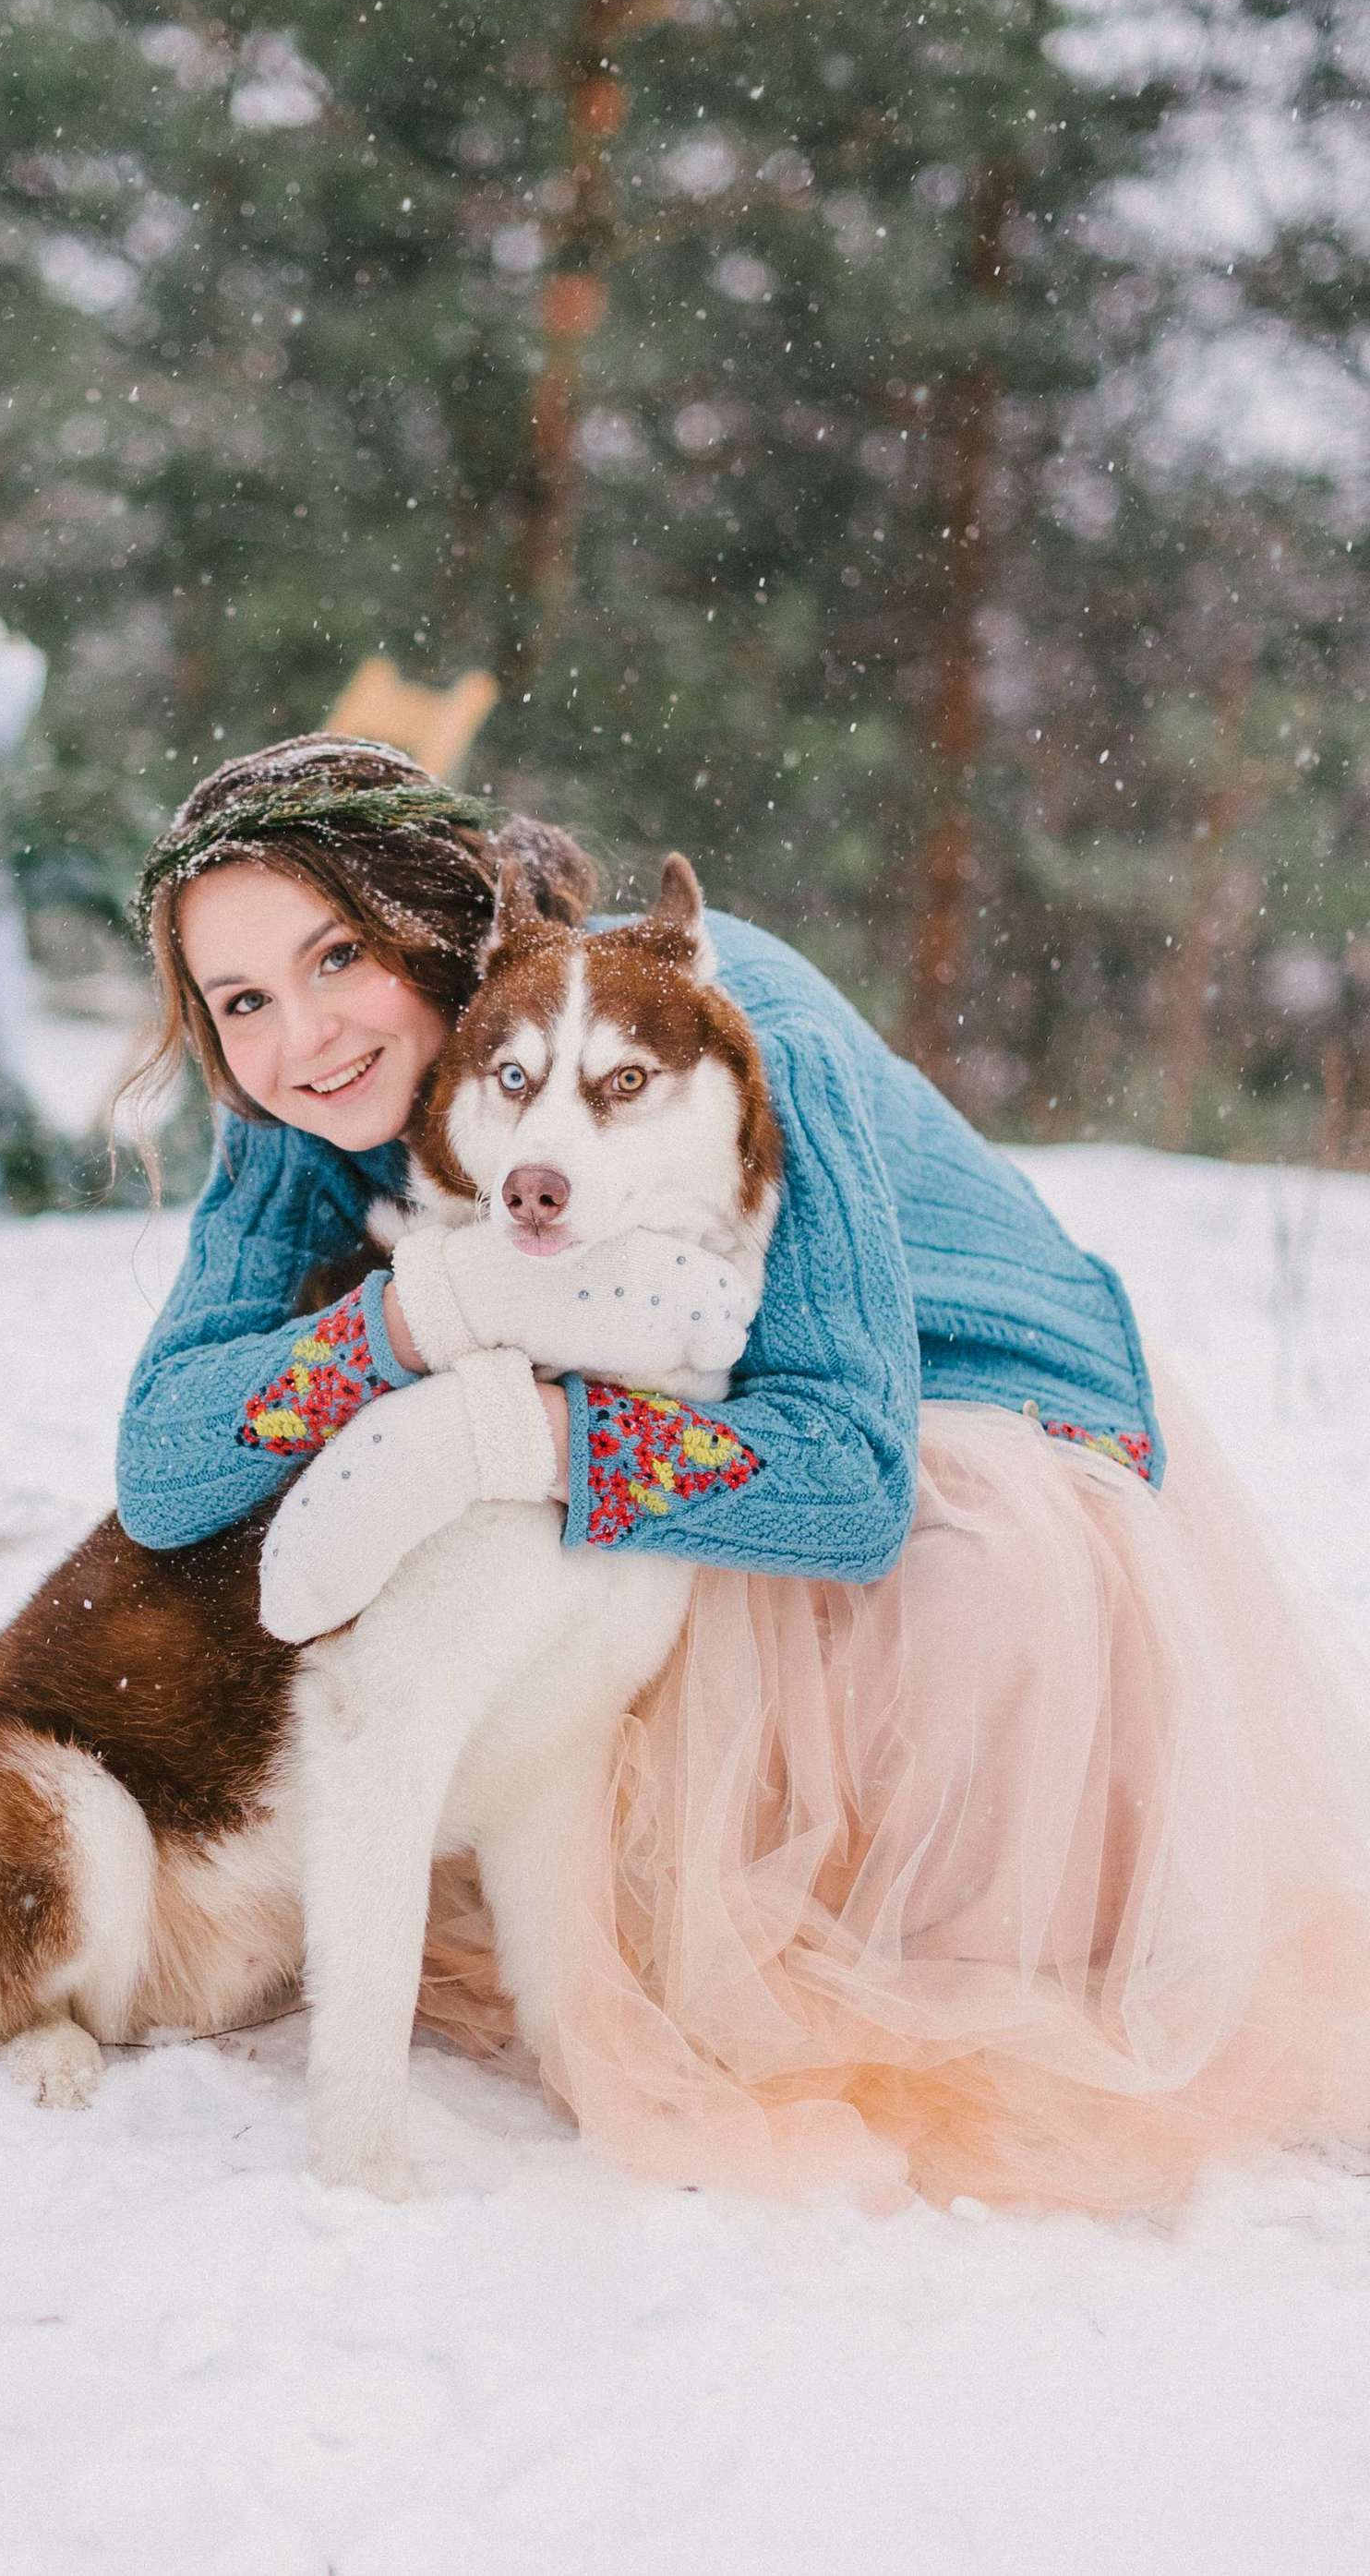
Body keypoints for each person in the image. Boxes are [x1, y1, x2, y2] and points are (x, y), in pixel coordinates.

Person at [114, 732, 1370, 2212]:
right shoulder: (302, 1114)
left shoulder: (727, 1022)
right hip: (690, 1402)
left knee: (820, 1616)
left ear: (426, 915)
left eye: (338, 958)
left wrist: (527, 1437)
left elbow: (848, 1482)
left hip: (970, 1424)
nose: (305, 1034)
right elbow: (163, 1463)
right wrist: (401, 1322)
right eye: (241, 1000)